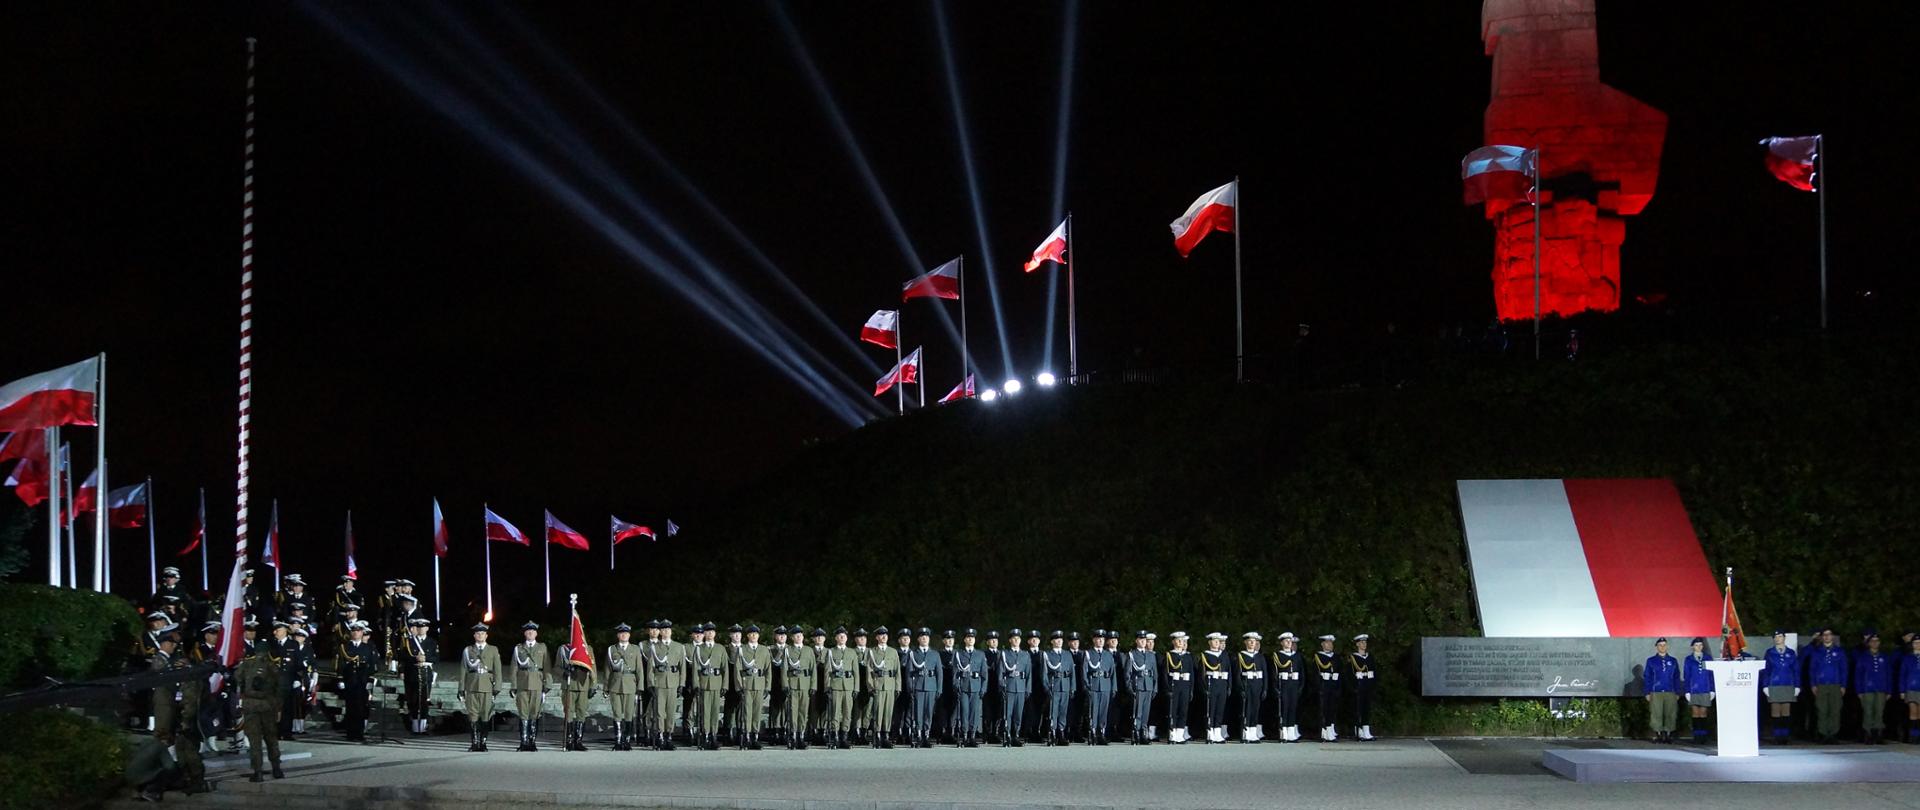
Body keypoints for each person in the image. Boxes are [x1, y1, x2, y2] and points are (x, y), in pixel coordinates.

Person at [234, 639, 285, 782]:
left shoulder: (246, 665)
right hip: (268, 706)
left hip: (251, 706)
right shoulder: (272, 667)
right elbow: (280, 688)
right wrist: (278, 706)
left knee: (254, 740)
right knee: (271, 739)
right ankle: (276, 768)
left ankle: (258, 772)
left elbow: (237, 680)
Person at [459, 623, 502, 751]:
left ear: (486, 635)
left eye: (482, 633)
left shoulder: (493, 649)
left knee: (485, 715)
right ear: (474, 635)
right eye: (478, 633)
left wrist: (497, 687)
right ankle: (474, 742)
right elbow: (463, 670)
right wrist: (461, 688)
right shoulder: (468, 650)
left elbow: (497, 670)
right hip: (472, 686)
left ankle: (483, 743)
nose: (480, 635)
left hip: (487, 686)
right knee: (472, 715)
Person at [335, 620, 380, 741]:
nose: (356, 633)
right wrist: (340, 679)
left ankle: (359, 733)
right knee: (350, 708)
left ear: (362, 633)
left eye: (358, 631)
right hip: (350, 681)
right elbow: (341, 664)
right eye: (353, 631)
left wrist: (370, 680)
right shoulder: (345, 647)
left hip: (362, 682)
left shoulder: (367, 647)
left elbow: (372, 665)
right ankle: (350, 733)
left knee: (361, 708)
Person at [508, 621, 550, 751]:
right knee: (523, 713)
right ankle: (523, 742)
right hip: (522, 683)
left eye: (532, 631)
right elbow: (514, 667)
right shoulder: (519, 648)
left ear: (536, 633)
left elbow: (547, 666)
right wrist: (513, 686)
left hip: (537, 683)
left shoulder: (542, 648)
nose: (530, 633)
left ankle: (532, 742)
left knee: (534, 714)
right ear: (525, 633)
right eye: (527, 631)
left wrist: (547, 684)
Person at [646, 620, 686, 749]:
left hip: (673, 683)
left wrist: (682, 684)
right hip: (660, 683)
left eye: (668, 630)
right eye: (663, 630)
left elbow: (682, 667)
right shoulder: (654, 647)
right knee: (659, 713)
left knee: (670, 712)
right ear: (660, 632)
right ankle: (660, 736)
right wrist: (651, 683)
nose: (666, 632)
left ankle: (669, 736)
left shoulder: (679, 647)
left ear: (671, 631)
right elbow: (650, 667)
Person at [1805, 628, 1849, 744]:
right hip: (1821, 685)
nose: (1826, 637)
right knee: (1822, 710)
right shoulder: (1817, 652)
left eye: (1829, 635)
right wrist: (1813, 684)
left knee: (1835, 710)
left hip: (1835, 684)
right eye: (1824, 635)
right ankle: (1823, 734)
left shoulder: (1839, 652)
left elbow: (1844, 669)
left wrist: (1843, 685)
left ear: (1832, 637)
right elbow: (1812, 670)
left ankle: (1833, 734)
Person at [732, 624, 771, 749]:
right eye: (751, 634)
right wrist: (739, 686)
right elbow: (737, 669)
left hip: (759, 684)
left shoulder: (764, 650)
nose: (754, 636)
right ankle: (746, 736)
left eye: (756, 634)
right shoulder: (742, 649)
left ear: (758, 635)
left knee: (757, 712)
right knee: (747, 712)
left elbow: (768, 669)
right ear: (748, 635)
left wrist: (767, 687)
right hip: (746, 684)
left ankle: (755, 737)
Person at [604, 622, 642, 750]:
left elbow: (639, 669)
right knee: (617, 713)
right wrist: (606, 687)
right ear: (618, 635)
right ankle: (618, 740)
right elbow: (607, 670)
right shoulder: (612, 649)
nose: (624, 635)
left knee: (629, 713)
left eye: (626, 633)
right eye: (621, 633)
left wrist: (640, 687)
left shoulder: (635, 649)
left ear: (629, 635)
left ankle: (627, 740)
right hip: (615, 684)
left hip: (630, 684)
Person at [777, 625, 817, 749]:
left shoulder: (809, 650)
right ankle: (793, 736)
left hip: (805, 684)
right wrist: (785, 684)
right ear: (792, 638)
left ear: (803, 637)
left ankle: (801, 736)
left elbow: (813, 669)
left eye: (800, 635)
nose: (799, 637)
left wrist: (813, 685)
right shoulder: (788, 650)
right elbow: (784, 669)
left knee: (803, 712)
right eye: (796, 635)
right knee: (792, 712)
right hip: (793, 684)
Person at [690, 624, 728, 749]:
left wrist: (725, 685)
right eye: (707, 632)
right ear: (704, 634)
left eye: (712, 631)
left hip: (716, 683)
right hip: (704, 683)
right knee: (705, 711)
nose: (710, 634)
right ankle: (705, 735)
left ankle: (714, 736)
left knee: (715, 712)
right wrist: (696, 684)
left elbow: (725, 669)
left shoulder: (720, 648)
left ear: (715, 634)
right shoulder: (699, 648)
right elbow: (695, 668)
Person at [557, 629, 596, 752]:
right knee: (568, 712)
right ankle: (569, 740)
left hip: (583, 684)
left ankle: (578, 741)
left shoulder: (587, 648)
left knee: (581, 713)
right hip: (569, 685)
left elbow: (592, 667)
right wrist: (564, 672)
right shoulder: (563, 649)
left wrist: (593, 684)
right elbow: (556, 667)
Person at [1759, 629, 1800, 744]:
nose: (1778, 639)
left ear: (1784, 638)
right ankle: (1777, 735)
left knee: (1786, 710)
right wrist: (1765, 685)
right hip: (1774, 684)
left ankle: (1785, 735)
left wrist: (1797, 685)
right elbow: (1767, 670)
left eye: (1780, 637)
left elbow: (1796, 670)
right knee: (1776, 710)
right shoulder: (1770, 653)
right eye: (1775, 637)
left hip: (1787, 683)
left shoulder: (1791, 653)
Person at [994, 628, 1030, 747]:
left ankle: (1016, 735)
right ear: (1010, 640)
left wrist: (1028, 689)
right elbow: (1000, 672)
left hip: (1020, 687)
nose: (1016, 640)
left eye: (1018, 638)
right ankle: (1007, 735)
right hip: (1008, 687)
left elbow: (1029, 674)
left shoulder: (1025, 654)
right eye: (1014, 638)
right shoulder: (1004, 654)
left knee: (1018, 714)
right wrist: (1001, 686)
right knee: (1007, 714)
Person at [1855, 632, 1893, 744]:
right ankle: (1868, 734)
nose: (1875, 643)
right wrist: (1859, 690)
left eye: (1877, 641)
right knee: (1868, 711)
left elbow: (1889, 674)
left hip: (1881, 688)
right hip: (1867, 688)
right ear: (1869, 643)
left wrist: (1889, 690)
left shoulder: (1885, 657)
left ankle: (1878, 734)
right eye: (1872, 641)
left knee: (1879, 711)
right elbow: (1858, 675)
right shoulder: (1863, 657)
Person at [951, 629, 987, 747]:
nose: (970, 639)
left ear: (975, 640)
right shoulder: (958, 654)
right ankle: (965, 735)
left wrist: (983, 688)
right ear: (965, 640)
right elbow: (955, 672)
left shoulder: (980, 654)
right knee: (964, 712)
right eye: (968, 637)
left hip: (976, 687)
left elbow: (984, 674)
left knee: (974, 713)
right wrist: (956, 686)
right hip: (964, 687)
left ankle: (972, 736)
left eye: (972, 637)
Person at [401, 617, 437, 736]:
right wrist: (414, 658)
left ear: (427, 628)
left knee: (424, 700)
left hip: (425, 673)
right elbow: (403, 656)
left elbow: (436, 657)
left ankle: (422, 727)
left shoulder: (432, 642)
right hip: (412, 673)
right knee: (413, 699)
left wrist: (426, 658)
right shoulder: (409, 642)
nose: (421, 629)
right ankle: (415, 725)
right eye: (418, 627)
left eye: (423, 627)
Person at [1041, 630, 1077, 746]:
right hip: (1054, 686)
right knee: (1053, 711)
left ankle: (1061, 733)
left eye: (1061, 639)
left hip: (1065, 686)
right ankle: (1052, 732)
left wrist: (1072, 687)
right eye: (1057, 639)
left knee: (1063, 711)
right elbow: (1044, 673)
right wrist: (1047, 688)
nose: (1059, 641)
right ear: (1052, 641)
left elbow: (1072, 673)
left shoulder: (1067, 654)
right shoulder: (1047, 654)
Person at [1123, 630, 1159, 744]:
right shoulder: (1132, 654)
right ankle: (1136, 733)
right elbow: (1127, 673)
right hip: (1138, 686)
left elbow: (1155, 673)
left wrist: (1155, 687)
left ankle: (1143, 733)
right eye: (1141, 640)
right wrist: (1129, 687)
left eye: (1145, 640)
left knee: (1146, 712)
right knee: (1137, 712)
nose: (1143, 642)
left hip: (1148, 685)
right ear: (1137, 641)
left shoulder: (1150, 655)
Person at [1268, 632, 1304, 742]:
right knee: (1284, 708)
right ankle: (1283, 732)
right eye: (1286, 641)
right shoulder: (1277, 656)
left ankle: (1291, 732)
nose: (1289, 642)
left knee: (1292, 708)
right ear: (1282, 643)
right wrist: (1275, 688)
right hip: (1283, 684)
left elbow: (1302, 672)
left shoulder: (1297, 655)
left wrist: (1300, 686)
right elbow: (1274, 673)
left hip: (1294, 684)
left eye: (1290, 641)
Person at [1644, 637, 1681, 743]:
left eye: (1664, 645)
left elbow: (1676, 677)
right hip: (1656, 691)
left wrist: (1677, 691)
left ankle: (1668, 734)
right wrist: (1647, 691)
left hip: (1670, 690)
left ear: (1667, 646)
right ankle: (1658, 734)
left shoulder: (1673, 661)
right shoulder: (1651, 661)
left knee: (1670, 713)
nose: (1662, 647)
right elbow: (1648, 677)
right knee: (1656, 713)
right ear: (1656, 647)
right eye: (1660, 645)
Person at [1080, 629, 1114, 745]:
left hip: (1105, 686)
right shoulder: (1089, 653)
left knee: (1103, 712)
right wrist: (1086, 686)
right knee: (1093, 711)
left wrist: (1113, 688)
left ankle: (1101, 734)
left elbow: (1112, 673)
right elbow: (1084, 671)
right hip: (1093, 685)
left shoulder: (1108, 654)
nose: (1100, 640)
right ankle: (1093, 733)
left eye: (1102, 639)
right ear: (1094, 640)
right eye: (1098, 638)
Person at [280, 624, 313, 739]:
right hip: (279, 680)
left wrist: (298, 679)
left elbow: (300, 665)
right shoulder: (276, 644)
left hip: (292, 679)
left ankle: (290, 730)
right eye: (296, 636)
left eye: (300, 636)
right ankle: (279, 731)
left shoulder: (295, 646)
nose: (297, 638)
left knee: (292, 705)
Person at [1237, 632, 1272, 742]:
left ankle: (1253, 732)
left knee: (1255, 709)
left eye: (1254, 641)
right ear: (1245, 642)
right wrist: (1241, 688)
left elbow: (1265, 674)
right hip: (1247, 684)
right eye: (1250, 641)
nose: (1252, 643)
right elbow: (1238, 674)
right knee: (1247, 709)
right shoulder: (1241, 656)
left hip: (1258, 685)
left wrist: (1265, 688)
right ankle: (1245, 733)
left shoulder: (1260, 657)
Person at [1681, 637, 1715, 744]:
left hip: (1705, 688)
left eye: (1700, 645)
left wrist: (1712, 689)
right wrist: (1687, 690)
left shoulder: (1708, 658)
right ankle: (1696, 735)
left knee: (1703, 712)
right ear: (1692, 647)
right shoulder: (1689, 659)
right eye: (1696, 645)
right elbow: (1687, 675)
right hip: (1693, 689)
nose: (1698, 647)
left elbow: (1711, 675)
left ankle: (1704, 736)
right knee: (1695, 712)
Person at [1347, 634, 1379, 741]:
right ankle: (1358, 730)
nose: (1364, 645)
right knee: (1358, 709)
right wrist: (1353, 685)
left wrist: (1373, 682)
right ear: (1357, 644)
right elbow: (1350, 673)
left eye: (1365, 642)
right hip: (1359, 685)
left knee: (1367, 709)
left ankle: (1366, 730)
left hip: (1368, 685)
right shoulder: (1353, 658)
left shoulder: (1370, 657)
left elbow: (1374, 671)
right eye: (1361, 643)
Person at [1901, 634, 1920, 744]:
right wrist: (1902, 690)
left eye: (1919, 643)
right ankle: (1913, 736)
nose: (1918, 645)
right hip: (1911, 688)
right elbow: (1903, 675)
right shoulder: (1907, 658)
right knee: (1913, 712)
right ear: (1912, 645)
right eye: (1915, 643)